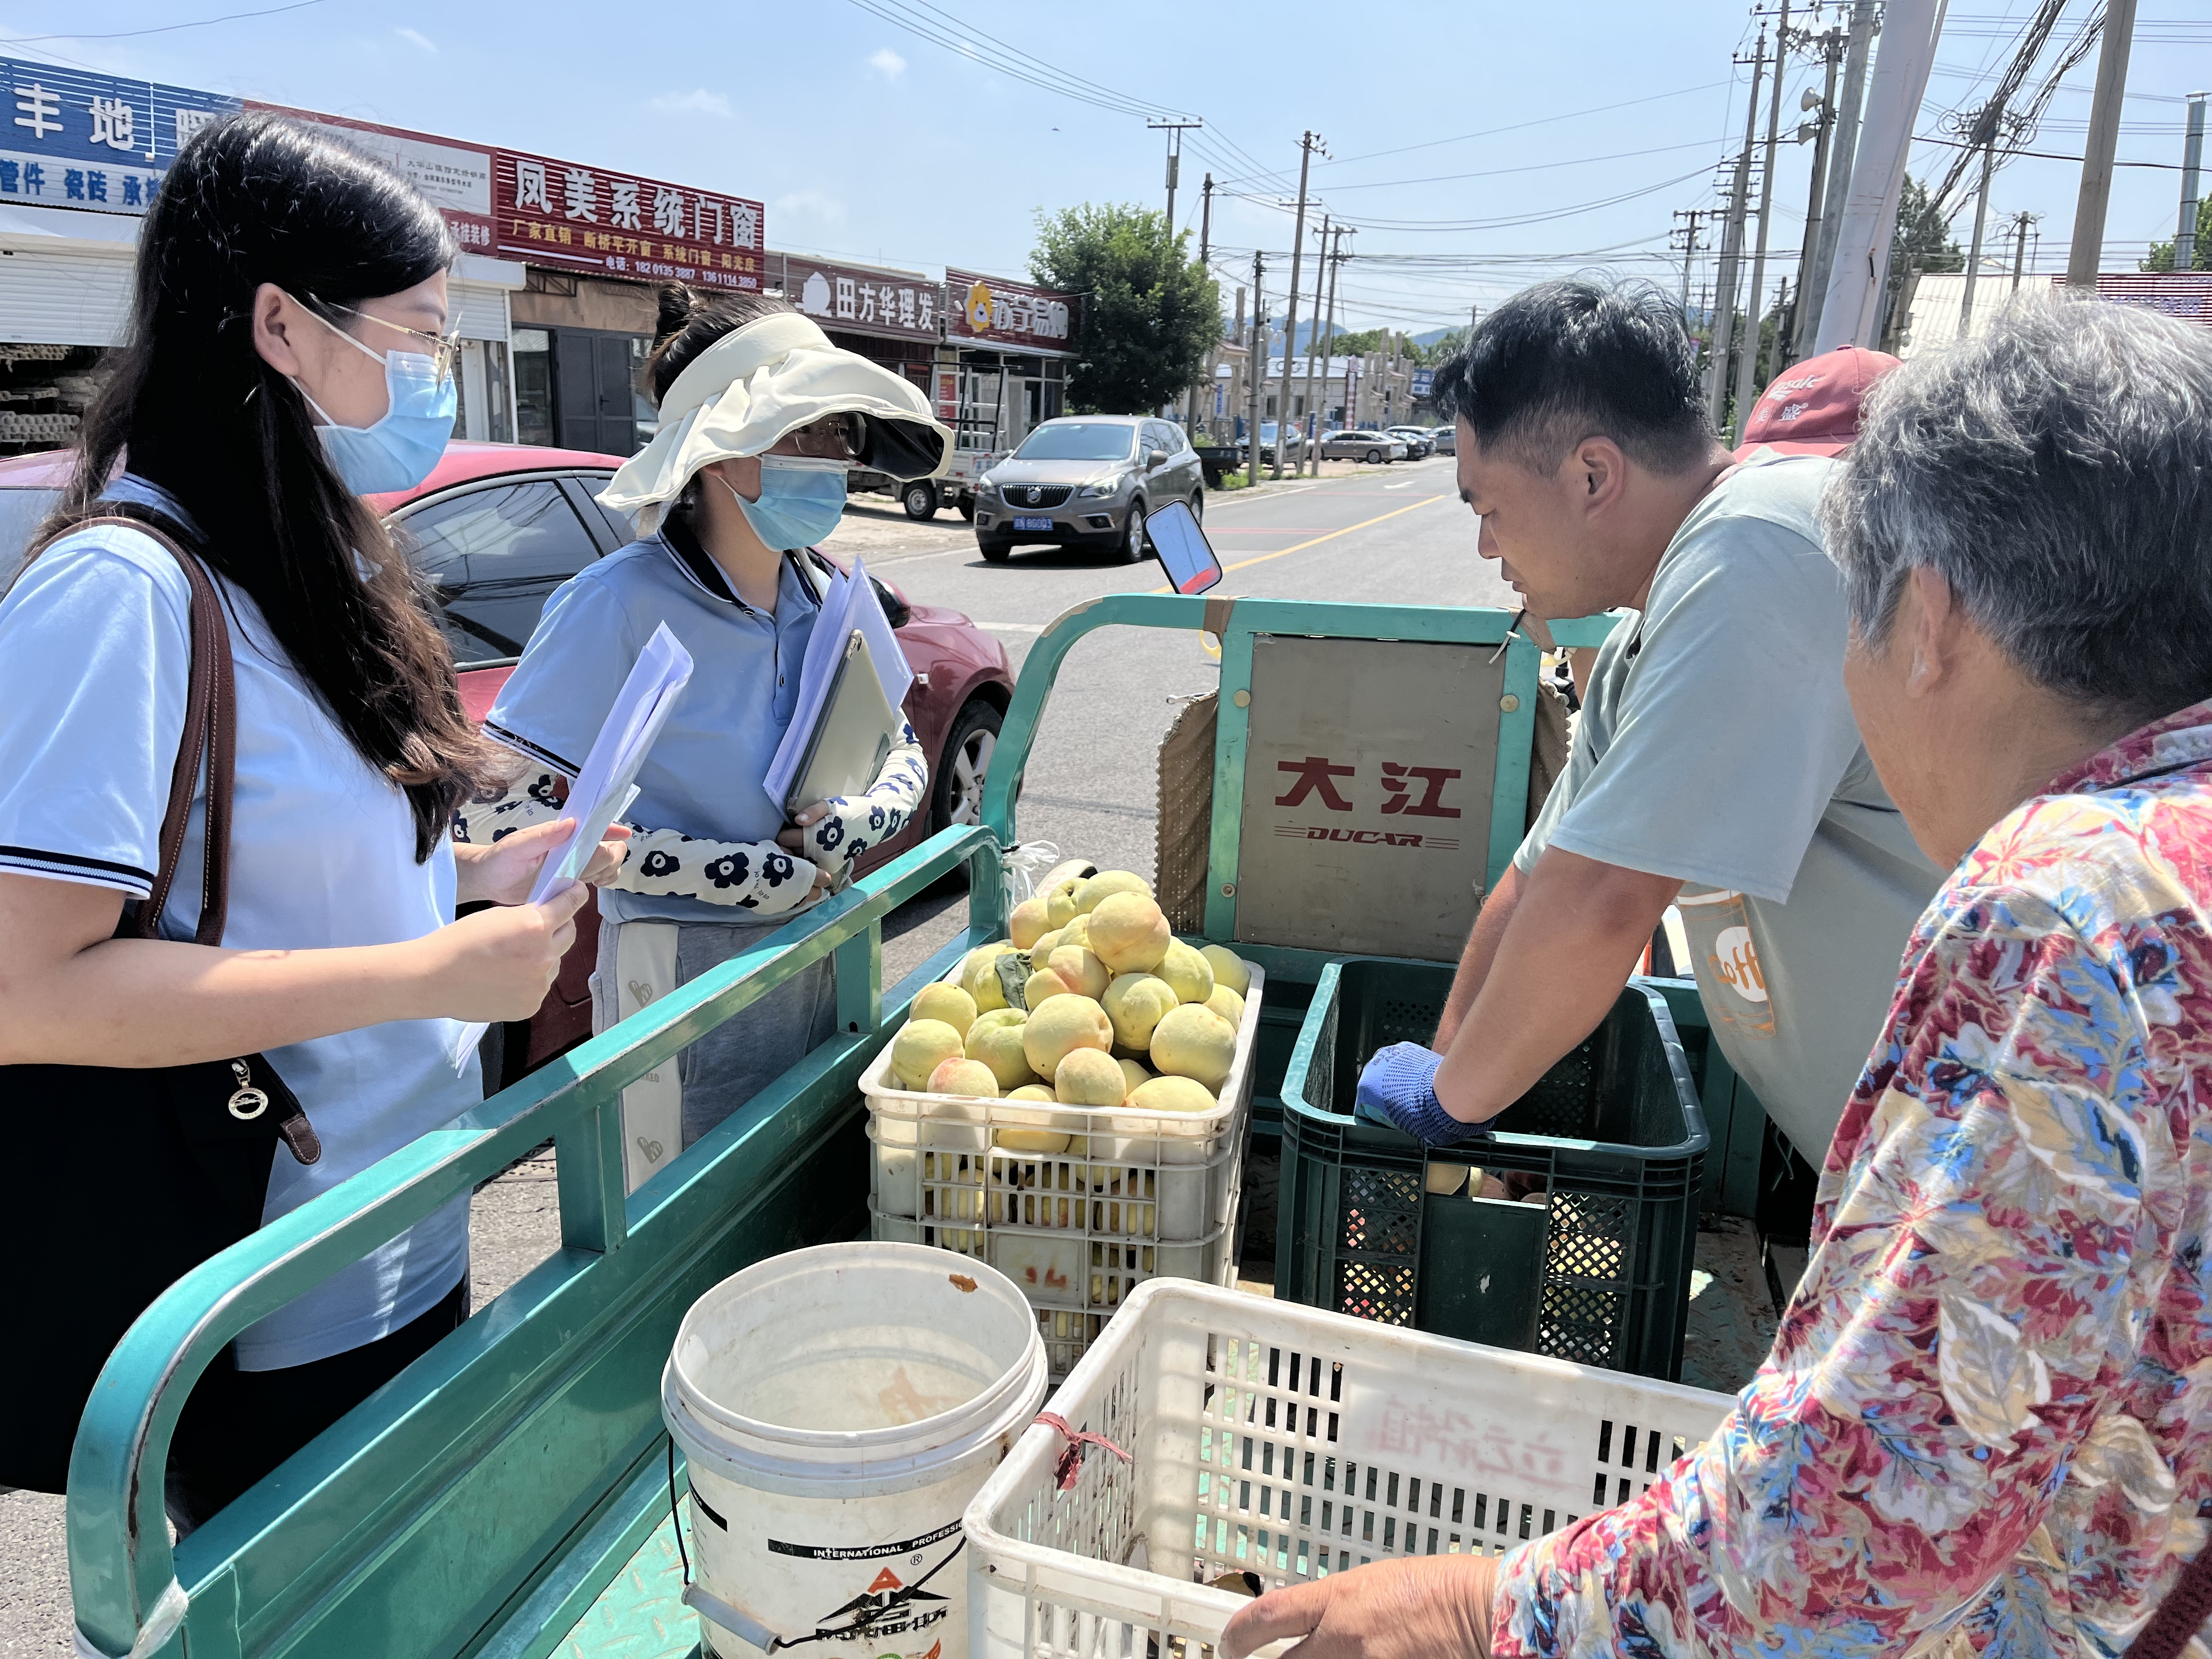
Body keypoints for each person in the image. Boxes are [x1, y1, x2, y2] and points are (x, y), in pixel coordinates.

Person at [1226, 295, 2212, 1659]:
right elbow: (1558, 869)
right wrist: (1448, 1087)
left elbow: (1869, 1524)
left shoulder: (2083, 912)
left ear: (1926, 616)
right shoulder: (2163, 846)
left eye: (1857, 600)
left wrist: (1479, 1611)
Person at [0, 114, 624, 1521]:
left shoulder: (309, 555)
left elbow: (286, 875)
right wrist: (429, 974)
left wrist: (475, 879)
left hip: (401, 1225)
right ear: (282, 327)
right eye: (416, 334)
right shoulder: (125, 590)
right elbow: (25, 991)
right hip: (259, 1292)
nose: (436, 377)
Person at [1353, 279, 1939, 1170]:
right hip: (1904, 1165)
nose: (1485, 548)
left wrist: (1447, 1102)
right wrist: (1441, 1079)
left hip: (2018, 1174)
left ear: (1593, 474)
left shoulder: (1761, 547)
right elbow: (1548, 880)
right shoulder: (1652, 628)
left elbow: (1606, 904)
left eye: (1488, 508)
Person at [470, 287, 950, 1158]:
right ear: (719, 454)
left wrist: (858, 822)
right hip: (680, 971)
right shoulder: (615, 604)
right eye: (798, 434)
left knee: (805, 1188)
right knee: (683, 1222)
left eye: (836, 435)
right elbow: (505, 819)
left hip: (822, 948)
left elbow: (904, 754)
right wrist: (733, 875)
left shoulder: (830, 596)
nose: (829, 460)